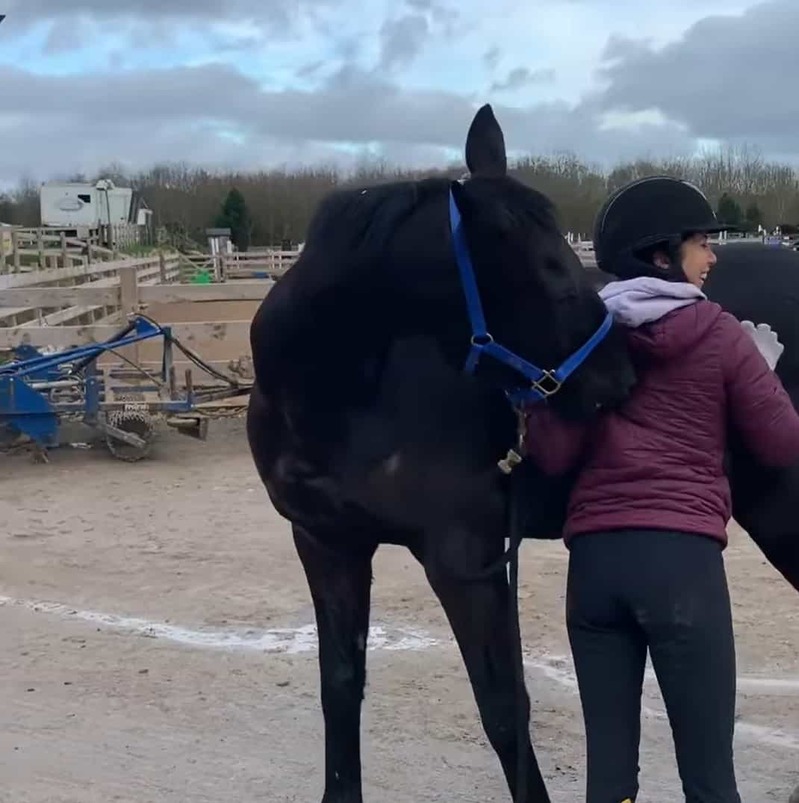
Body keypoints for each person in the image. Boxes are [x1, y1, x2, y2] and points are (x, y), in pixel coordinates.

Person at [521, 175, 799, 803]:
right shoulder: (723, 333)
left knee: (610, 782)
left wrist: (545, 406)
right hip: (681, 567)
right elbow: (781, 444)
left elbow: (554, 456)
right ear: (659, 254)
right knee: (708, 778)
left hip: (594, 569)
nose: (713, 257)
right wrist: (763, 367)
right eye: (701, 243)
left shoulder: (585, 341)